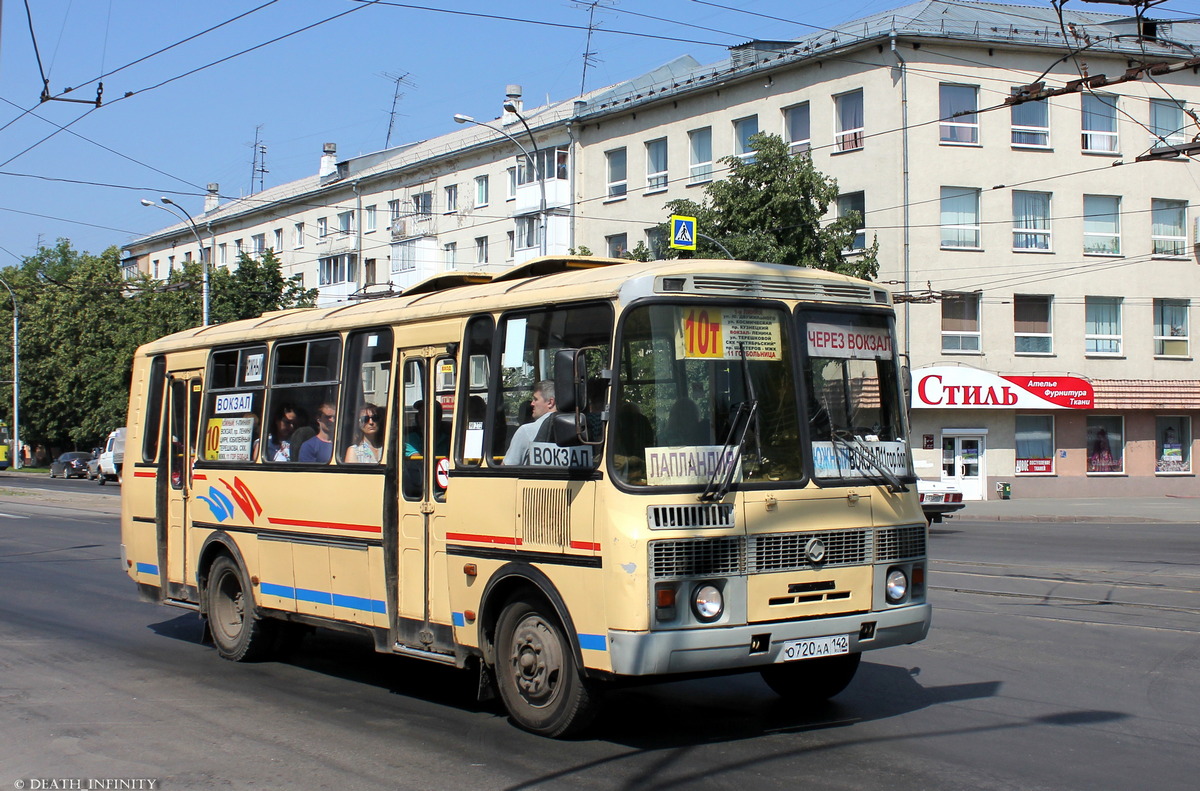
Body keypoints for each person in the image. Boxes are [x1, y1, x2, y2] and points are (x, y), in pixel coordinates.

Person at [502, 380, 556, 465]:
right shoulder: (576, 427)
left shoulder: (526, 431)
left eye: (535, 399)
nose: (532, 403)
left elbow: (507, 468)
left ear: (550, 402)